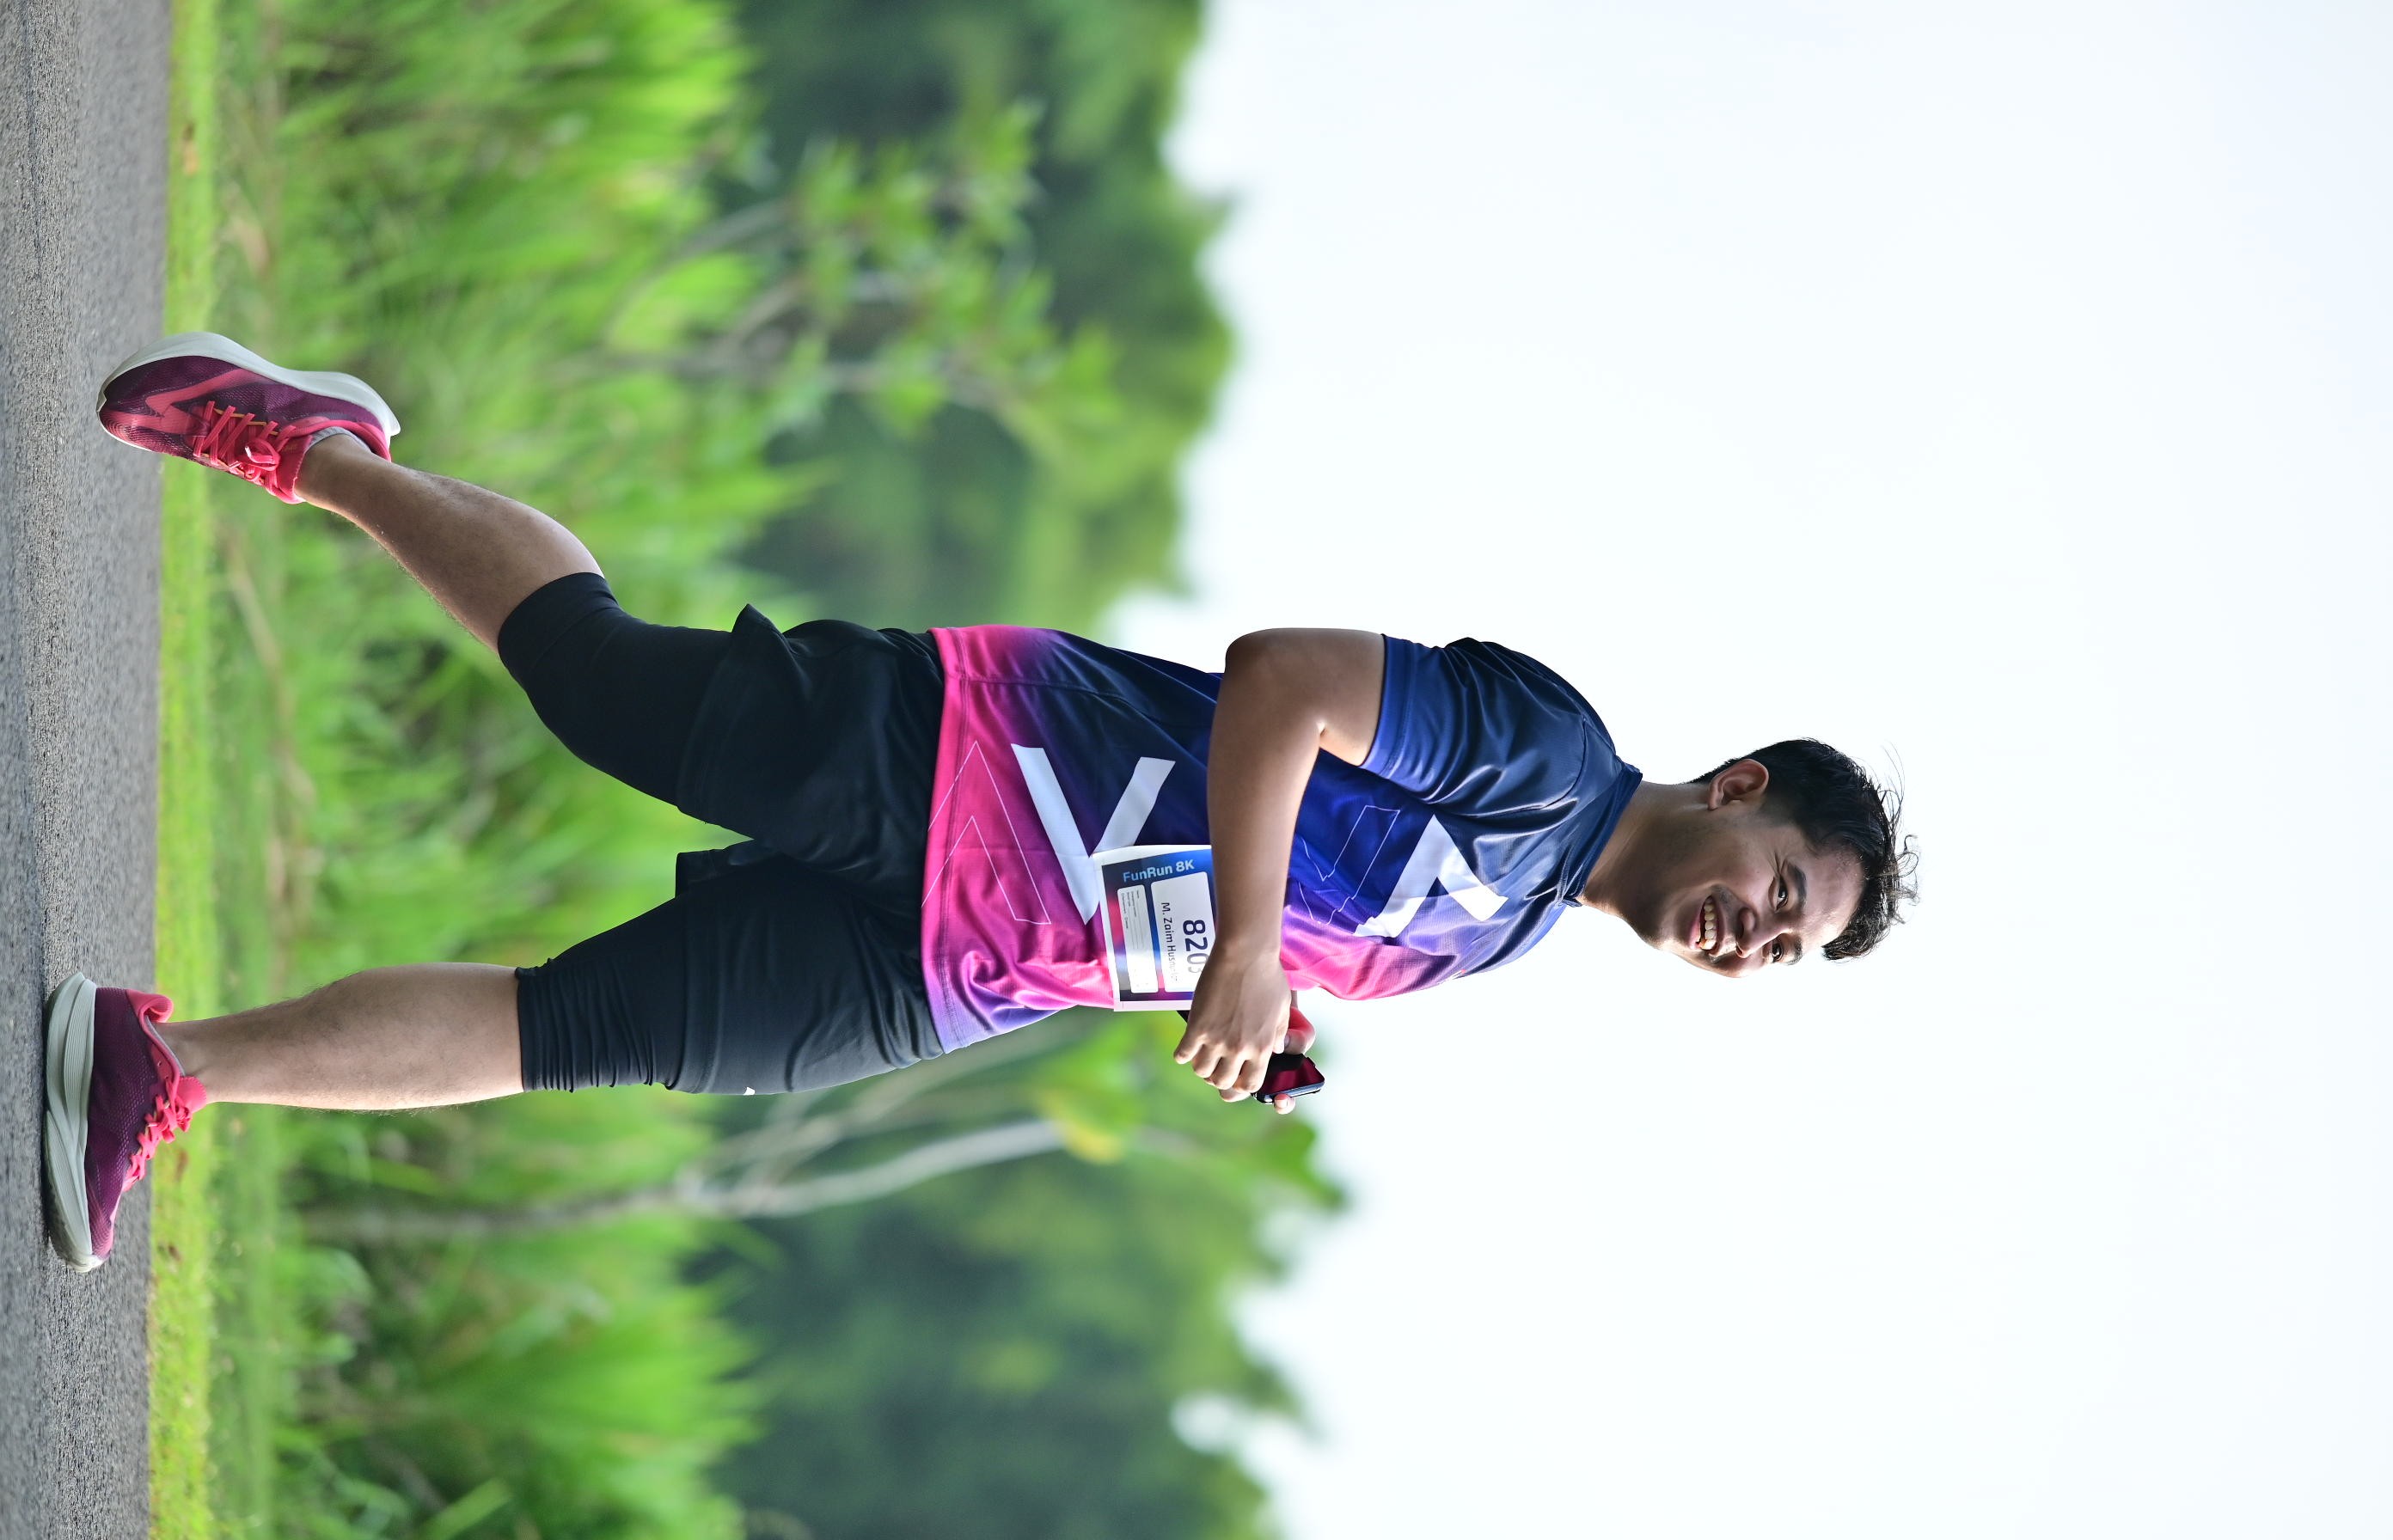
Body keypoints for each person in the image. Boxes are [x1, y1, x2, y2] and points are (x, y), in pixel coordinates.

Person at [42, 333, 1916, 1271]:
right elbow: (1282, 680)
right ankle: (321, 446)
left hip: (968, 967)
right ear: (1741, 789)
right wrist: (1250, 945)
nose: (1755, 935)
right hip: (968, 753)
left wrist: (1249, 1003)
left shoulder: (1504, 940)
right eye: (1783, 889)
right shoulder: (1550, 760)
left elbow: (1267, 892)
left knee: (572, 1034)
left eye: (1785, 951)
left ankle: (166, 1063)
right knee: (602, 687)